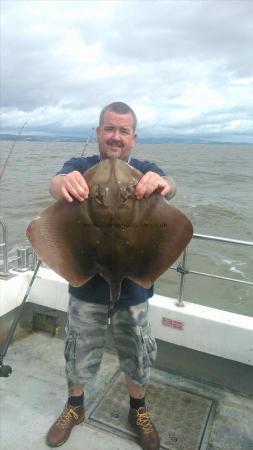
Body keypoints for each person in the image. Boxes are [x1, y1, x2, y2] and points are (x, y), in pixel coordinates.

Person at [46, 102, 176, 450]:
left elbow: (171, 187)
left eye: (123, 130)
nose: (115, 137)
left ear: (134, 137)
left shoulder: (145, 169)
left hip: (133, 282)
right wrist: (64, 182)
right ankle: (75, 407)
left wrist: (162, 183)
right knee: (79, 348)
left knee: (137, 348)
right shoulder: (82, 166)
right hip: (87, 279)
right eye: (109, 128)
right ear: (98, 132)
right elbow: (55, 184)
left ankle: (138, 410)